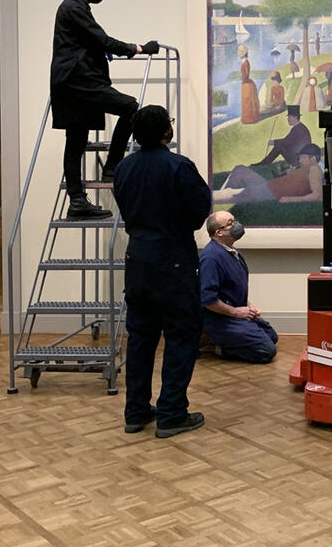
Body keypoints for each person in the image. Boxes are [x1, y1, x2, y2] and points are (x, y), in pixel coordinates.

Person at [112, 105, 211, 438]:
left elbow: (126, 209)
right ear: (166, 132)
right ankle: (171, 412)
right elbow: (198, 212)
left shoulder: (124, 168)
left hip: (137, 259)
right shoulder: (179, 166)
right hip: (173, 260)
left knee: (140, 338)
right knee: (182, 334)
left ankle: (136, 411)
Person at [51, 0, 158, 220]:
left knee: (75, 141)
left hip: (75, 82)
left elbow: (91, 43)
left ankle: (77, 201)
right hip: (78, 82)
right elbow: (102, 40)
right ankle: (111, 167)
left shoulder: (77, 7)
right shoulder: (73, 7)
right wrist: (139, 48)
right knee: (130, 107)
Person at [198, 211, 279, 363]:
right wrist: (235, 312)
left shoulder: (233, 253)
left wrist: (250, 307)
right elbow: (208, 299)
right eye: (230, 223)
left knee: (272, 337)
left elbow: (234, 288)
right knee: (266, 351)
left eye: (235, 220)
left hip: (235, 314)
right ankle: (217, 345)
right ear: (219, 232)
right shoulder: (211, 258)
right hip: (221, 319)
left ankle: (224, 340)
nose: (236, 225)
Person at [215, 144, 324, 204]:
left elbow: (317, 195)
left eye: (303, 157)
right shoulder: (307, 167)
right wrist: (291, 173)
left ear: (313, 158)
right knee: (239, 169)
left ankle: (213, 200)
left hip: (270, 192)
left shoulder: (314, 170)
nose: (300, 160)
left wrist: (291, 199)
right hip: (269, 185)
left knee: (227, 195)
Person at [239, 44, 259, 124]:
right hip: (245, 83)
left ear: (244, 53)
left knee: (248, 102)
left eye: (240, 52)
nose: (239, 53)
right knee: (246, 102)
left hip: (247, 84)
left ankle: (249, 119)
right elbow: (244, 74)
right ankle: (247, 118)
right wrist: (241, 78)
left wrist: (243, 79)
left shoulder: (246, 62)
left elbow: (246, 74)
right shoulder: (244, 62)